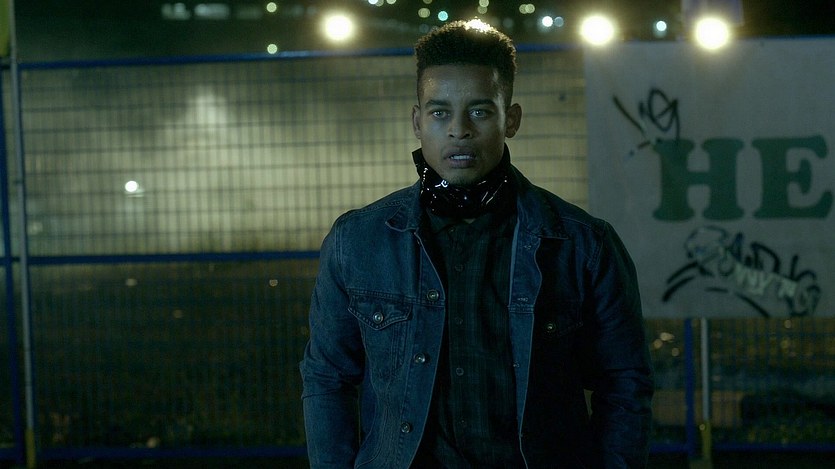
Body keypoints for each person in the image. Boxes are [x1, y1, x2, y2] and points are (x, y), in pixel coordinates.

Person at [300, 19, 654, 468]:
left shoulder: (581, 245)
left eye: (481, 112)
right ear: (417, 121)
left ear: (512, 119)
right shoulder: (358, 241)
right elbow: (327, 378)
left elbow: (624, 384)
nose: (459, 130)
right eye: (440, 113)